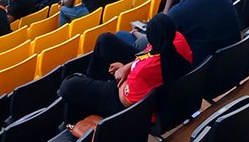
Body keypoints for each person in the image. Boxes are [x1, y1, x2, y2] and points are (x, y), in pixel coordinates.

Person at [59, 14, 193, 124]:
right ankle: (92, 83)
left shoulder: (144, 70)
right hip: (144, 80)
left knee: (69, 85)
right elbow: (148, 53)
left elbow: (126, 101)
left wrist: (122, 72)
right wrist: (127, 67)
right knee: (105, 41)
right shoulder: (177, 40)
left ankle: (89, 95)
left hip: (125, 100)